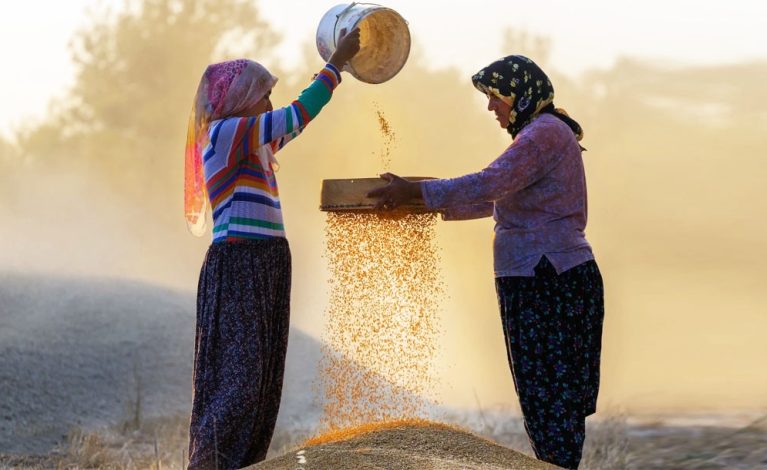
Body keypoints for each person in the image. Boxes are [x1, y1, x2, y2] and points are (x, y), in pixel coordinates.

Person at [368, 55, 604, 469]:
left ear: (521, 95)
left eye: (496, 97)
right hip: (541, 276)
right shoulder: (538, 136)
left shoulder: (543, 135)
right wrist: (418, 201)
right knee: (544, 400)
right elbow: (496, 199)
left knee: (550, 400)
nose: (491, 107)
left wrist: (418, 193)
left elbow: (489, 183)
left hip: (548, 276)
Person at [183, 28, 360, 469]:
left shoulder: (253, 142)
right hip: (240, 263)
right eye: (262, 96)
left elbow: (294, 120)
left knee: (261, 382)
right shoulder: (226, 133)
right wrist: (335, 66)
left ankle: (244, 462)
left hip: (266, 264)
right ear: (239, 100)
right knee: (238, 383)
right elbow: (296, 114)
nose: (268, 104)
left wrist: (337, 72)